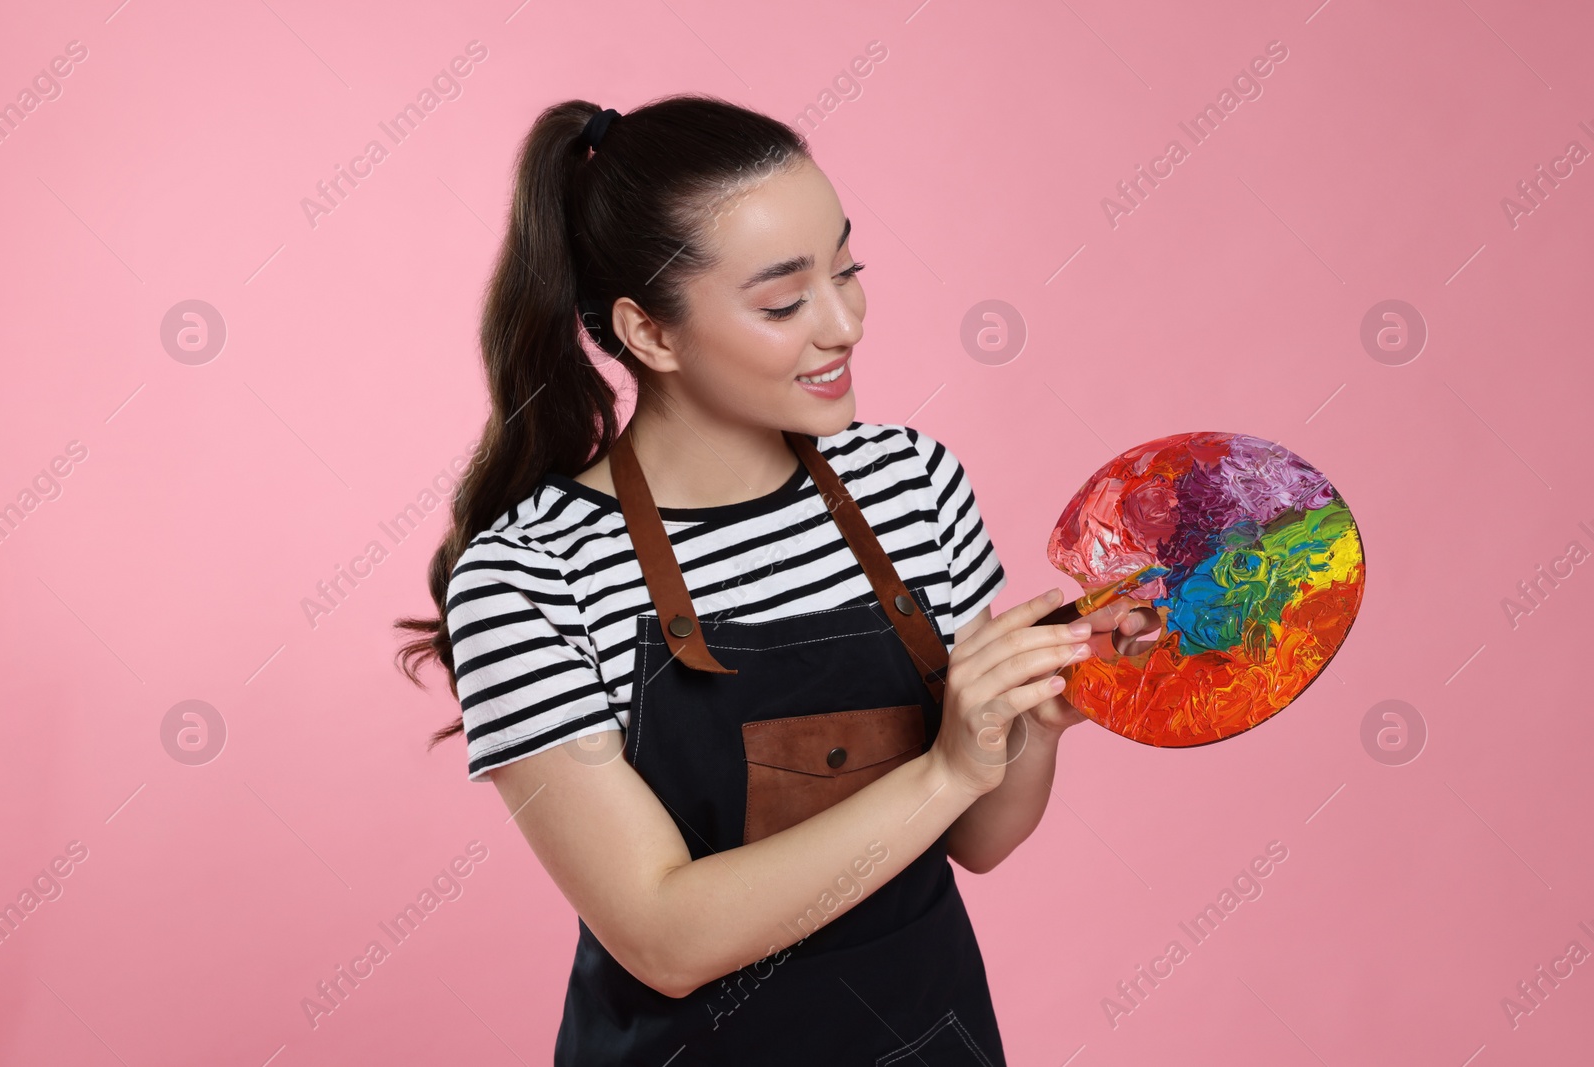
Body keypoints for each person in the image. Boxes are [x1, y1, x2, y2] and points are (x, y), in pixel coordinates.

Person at [395, 93, 1148, 1066]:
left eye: (848, 269)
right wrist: (947, 764)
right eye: (784, 301)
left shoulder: (910, 482)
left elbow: (980, 837)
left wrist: (1031, 713)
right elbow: (664, 937)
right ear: (650, 334)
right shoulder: (529, 577)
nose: (844, 324)